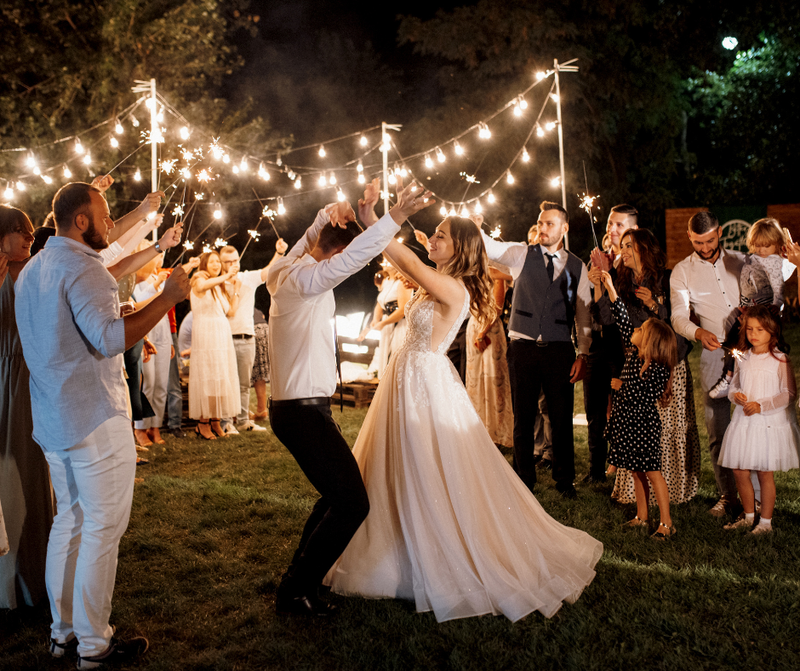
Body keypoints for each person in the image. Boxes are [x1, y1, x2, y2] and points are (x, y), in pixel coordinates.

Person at [325, 181, 602, 622]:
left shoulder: (451, 287)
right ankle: (392, 548)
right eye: (433, 234)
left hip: (423, 386)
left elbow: (405, 258)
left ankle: (426, 556)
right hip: (405, 379)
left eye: (440, 236)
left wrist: (375, 217)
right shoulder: (440, 280)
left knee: (424, 470)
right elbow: (403, 258)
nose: (431, 239)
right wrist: (372, 218)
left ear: (459, 249)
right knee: (393, 468)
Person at [15, 182, 190, 667]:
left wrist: (121, 312)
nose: (112, 224)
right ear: (81, 222)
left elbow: (76, 328)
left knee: (68, 523)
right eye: (106, 215)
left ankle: (61, 634)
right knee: (101, 530)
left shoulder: (33, 270)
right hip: (95, 417)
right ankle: (94, 648)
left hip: (53, 417)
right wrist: (167, 298)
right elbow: (111, 339)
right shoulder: (83, 267)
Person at [268, 181, 430, 617]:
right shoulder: (304, 280)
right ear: (334, 256)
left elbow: (308, 243)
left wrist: (326, 215)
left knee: (332, 497)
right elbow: (354, 256)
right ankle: (296, 590)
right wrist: (391, 217)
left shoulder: (281, 272)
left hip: (298, 409)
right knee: (352, 502)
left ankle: (298, 583)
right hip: (302, 412)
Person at [480, 202, 592, 498]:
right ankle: (523, 478)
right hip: (523, 347)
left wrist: (583, 353)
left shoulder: (578, 266)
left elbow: (583, 314)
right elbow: (490, 248)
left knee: (560, 415)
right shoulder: (520, 254)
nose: (542, 228)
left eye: (549, 224)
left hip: (559, 349)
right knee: (524, 416)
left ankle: (565, 480)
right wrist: (476, 226)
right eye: (540, 223)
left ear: (564, 228)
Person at [590, 228, 700, 505]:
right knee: (638, 428)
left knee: (668, 427)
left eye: (629, 246)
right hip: (636, 361)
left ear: (645, 249)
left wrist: (655, 304)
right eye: (622, 245)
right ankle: (637, 497)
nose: (623, 251)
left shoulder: (668, 278)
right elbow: (607, 317)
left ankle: (673, 491)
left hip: (666, 361)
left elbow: (681, 319)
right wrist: (599, 284)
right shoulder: (621, 280)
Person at [671, 211, 749, 517]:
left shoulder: (743, 261)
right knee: (718, 428)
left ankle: (753, 497)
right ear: (690, 237)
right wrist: (697, 331)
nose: (705, 248)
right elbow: (678, 315)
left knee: (752, 424)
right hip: (713, 350)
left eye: (710, 240)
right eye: (698, 242)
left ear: (720, 233)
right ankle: (728, 495)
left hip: (750, 350)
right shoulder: (681, 271)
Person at [0, 205, 54, 611]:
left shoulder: (30, 271)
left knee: (28, 476)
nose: (28, 237)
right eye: (19, 231)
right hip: (4, 382)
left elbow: (103, 260)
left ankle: (33, 582)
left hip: (23, 380)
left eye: (30, 231)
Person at [600, 270, 678, 538]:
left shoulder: (657, 369)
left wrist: (623, 386)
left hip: (643, 426)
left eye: (641, 329)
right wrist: (610, 287)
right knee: (635, 471)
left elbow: (645, 395)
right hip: (627, 422)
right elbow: (621, 317)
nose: (635, 329)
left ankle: (666, 522)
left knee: (653, 473)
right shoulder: (633, 353)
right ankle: (641, 516)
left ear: (651, 342)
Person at [718, 306, 800, 534]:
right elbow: (734, 386)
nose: (754, 334)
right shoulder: (743, 357)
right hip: (744, 422)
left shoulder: (780, 360)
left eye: (760, 329)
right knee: (740, 471)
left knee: (765, 472)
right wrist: (737, 396)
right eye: (750, 329)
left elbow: (788, 394)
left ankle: (765, 522)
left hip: (767, 423)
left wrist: (761, 405)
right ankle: (748, 515)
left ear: (772, 331)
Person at [709, 218, 796, 399]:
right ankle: (735, 375)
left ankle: (731, 376)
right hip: (749, 308)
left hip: (765, 311)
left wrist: (776, 307)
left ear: (777, 245)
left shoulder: (774, 262)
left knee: (745, 339)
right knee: (735, 334)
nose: (761, 250)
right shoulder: (753, 258)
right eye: (757, 245)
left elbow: (779, 289)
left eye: (766, 246)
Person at [582, 205, 639, 482]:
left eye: (619, 225)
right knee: (594, 408)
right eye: (609, 224)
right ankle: (595, 469)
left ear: (633, 230)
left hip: (623, 348)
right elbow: (592, 311)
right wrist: (596, 281)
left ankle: (621, 465)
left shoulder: (633, 266)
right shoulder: (597, 259)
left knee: (621, 409)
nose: (612, 230)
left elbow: (618, 315)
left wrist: (607, 279)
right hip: (597, 346)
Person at [218, 238, 288, 433]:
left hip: (247, 337)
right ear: (222, 264)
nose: (232, 265)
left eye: (235, 261)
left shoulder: (247, 278)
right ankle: (226, 422)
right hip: (226, 338)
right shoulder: (217, 283)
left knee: (243, 384)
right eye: (228, 262)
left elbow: (268, 271)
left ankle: (243, 421)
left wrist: (280, 253)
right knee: (227, 382)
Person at [188, 251, 241, 440]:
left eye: (218, 262)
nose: (217, 265)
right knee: (208, 378)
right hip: (206, 335)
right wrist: (226, 276)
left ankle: (216, 422)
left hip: (221, 336)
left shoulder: (219, 286)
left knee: (220, 377)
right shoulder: (198, 279)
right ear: (204, 264)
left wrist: (235, 289)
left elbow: (231, 311)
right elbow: (202, 286)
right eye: (212, 262)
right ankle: (202, 424)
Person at [465, 265, 514, 447]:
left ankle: (497, 433)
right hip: (474, 327)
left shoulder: (496, 276)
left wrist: (482, 332)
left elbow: (497, 308)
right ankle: (478, 430)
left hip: (490, 331)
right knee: (476, 379)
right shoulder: (473, 277)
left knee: (494, 381)